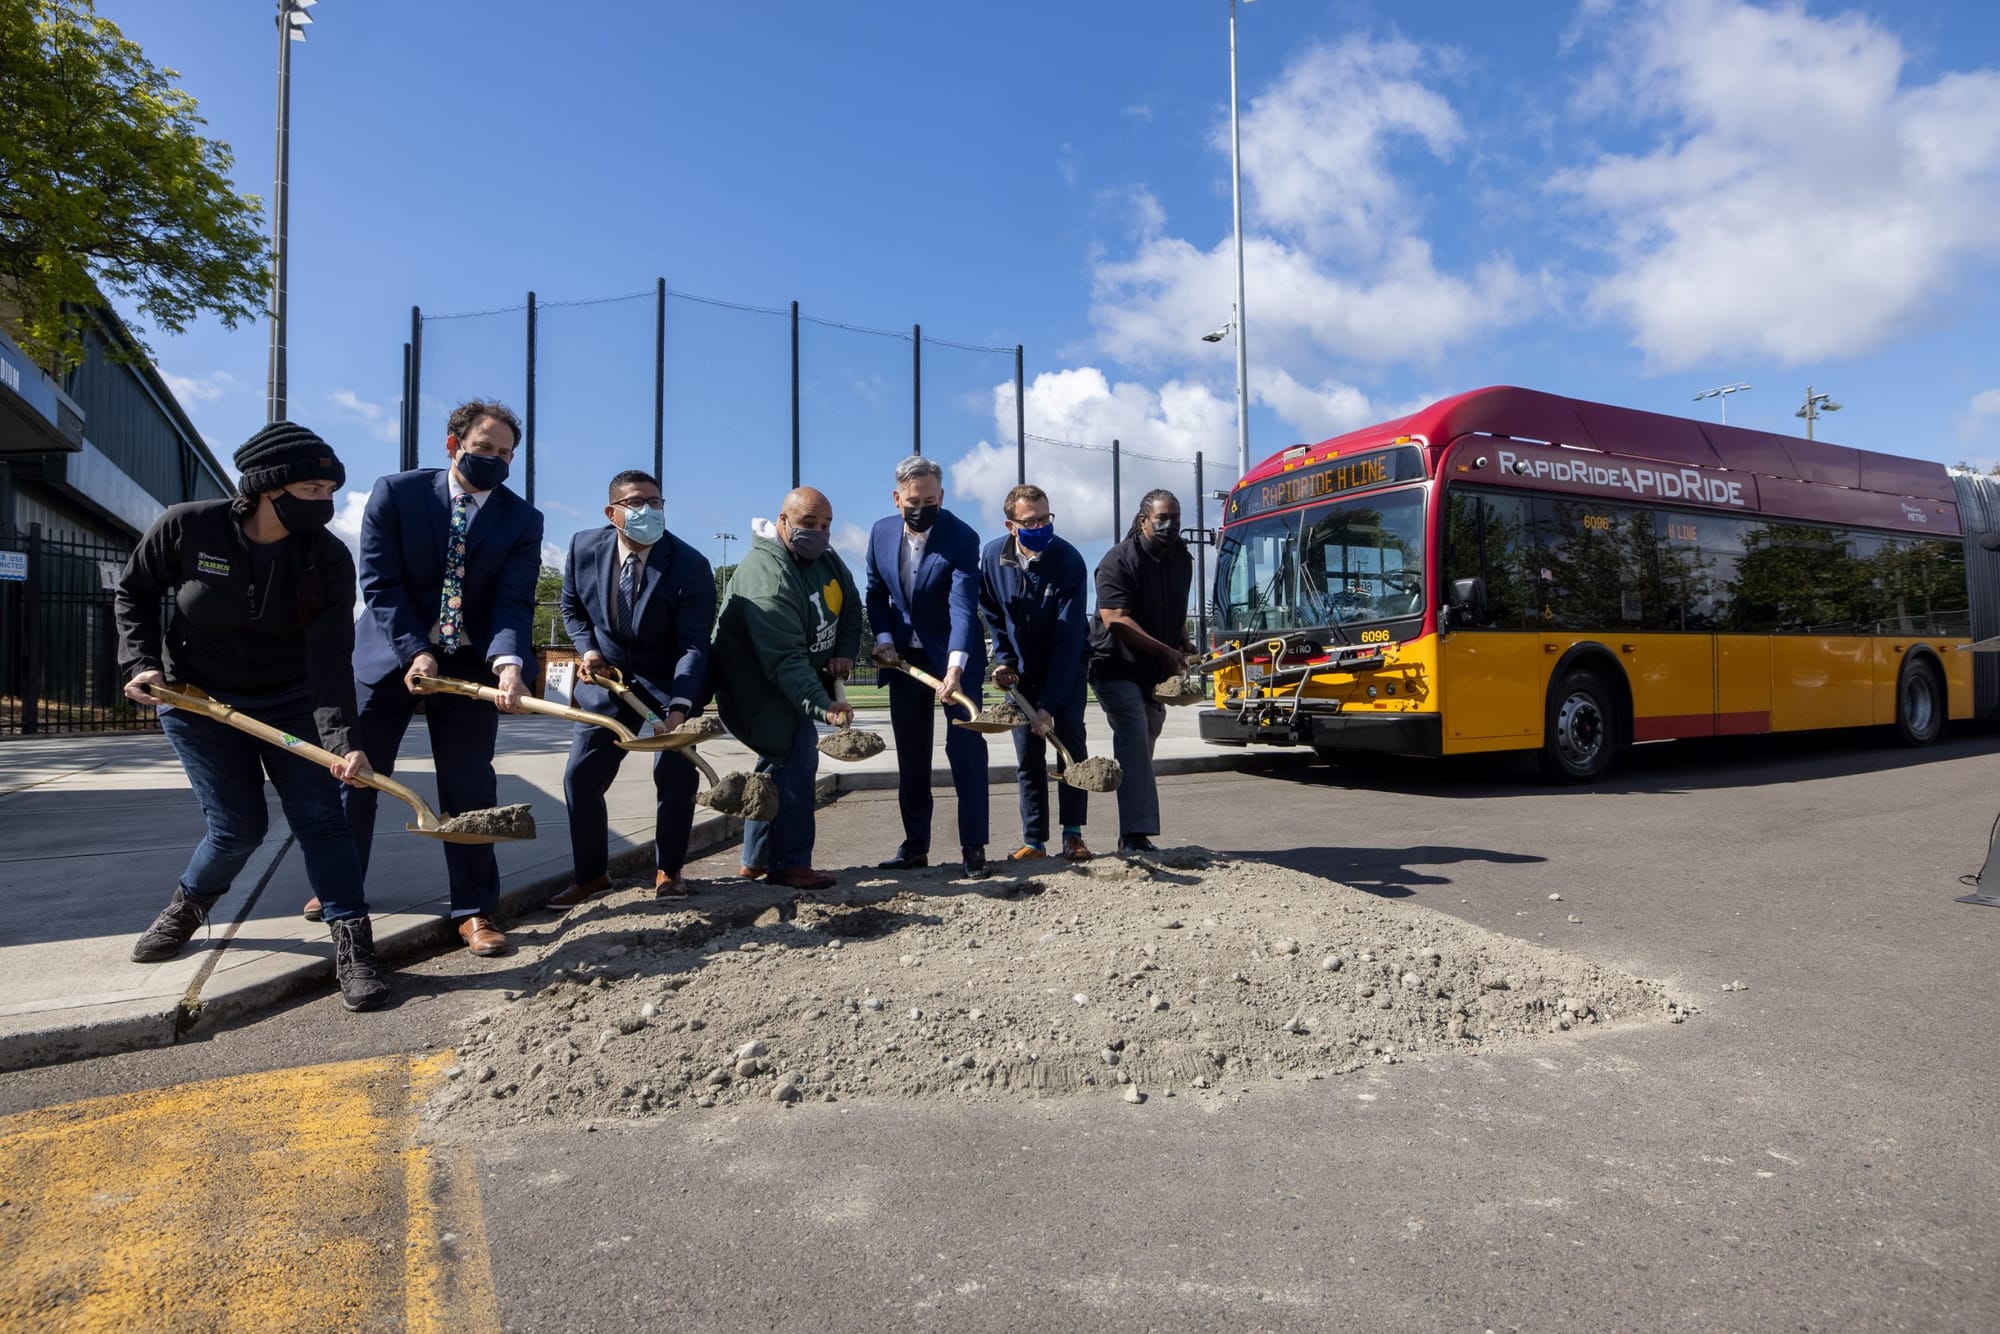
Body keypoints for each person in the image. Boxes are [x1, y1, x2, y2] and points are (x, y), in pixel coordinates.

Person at [115, 422, 389, 1011]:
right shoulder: (189, 526)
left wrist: (344, 741)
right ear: (269, 488)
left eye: (329, 490)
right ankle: (188, 905)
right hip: (198, 702)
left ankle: (354, 943)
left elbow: (330, 657)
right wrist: (141, 661)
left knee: (322, 819)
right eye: (312, 489)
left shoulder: (327, 558)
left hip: (290, 700)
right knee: (239, 828)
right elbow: (134, 591)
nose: (326, 502)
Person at [338, 398, 544, 957]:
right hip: (390, 653)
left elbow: (513, 602)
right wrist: (415, 651)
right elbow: (380, 584)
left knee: (470, 786)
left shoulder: (522, 520)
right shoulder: (396, 494)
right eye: (485, 449)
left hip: (468, 663)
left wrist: (508, 664)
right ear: (453, 446)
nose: (497, 461)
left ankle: (476, 910)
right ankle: (338, 886)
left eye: (506, 454)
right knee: (359, 775)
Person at [548, 470, 714, 906]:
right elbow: (572, 607)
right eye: (637, 503)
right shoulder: (585, 547)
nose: (649, 511)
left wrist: (679, 708)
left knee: (675, 772)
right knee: (581, 777)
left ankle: (669, 870)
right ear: (612, 512)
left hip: (668, 680)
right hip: (607, 681)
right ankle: (591, 875)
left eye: (656, 503)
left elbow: (694, 643)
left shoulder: (690, 564)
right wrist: (587, 651)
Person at [711, 487, 859, 891]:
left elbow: (850, 607)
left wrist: (844, 653)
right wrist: (823, 705)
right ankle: (790, 863)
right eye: (809, 524)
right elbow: (785, 660)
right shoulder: (769, 578)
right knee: (796, 757)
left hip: (792, 682)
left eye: (826, 525)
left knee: (776, 765)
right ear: (783, 522)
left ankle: (755, 859)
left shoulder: (825, 559)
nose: (820, 532)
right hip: (756, 689)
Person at [865, 454, 990, 878]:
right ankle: (915, 846)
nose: (922, 509)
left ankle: (974, 848)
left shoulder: (961, 537)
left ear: (942, 496)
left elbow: (961, 606)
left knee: (965, 746)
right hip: (905, 658)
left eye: (931, 500)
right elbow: (876, 593)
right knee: (912, 753)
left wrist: (955, 668)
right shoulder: (881, 533)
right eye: (914, 500)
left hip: (955, 655)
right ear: (898, 498)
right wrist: (883, 639)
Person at [978, 483, 1093, 862]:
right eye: (1031, 521)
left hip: (1067, 665)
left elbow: (1068, 637)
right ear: (1011, 525)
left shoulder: (1069, 561)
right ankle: (1034, 840)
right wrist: (1005, 661)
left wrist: (1050, 705)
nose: (1041, 526)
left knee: (1069, 743)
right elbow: (994, 615)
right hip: (1022, 670)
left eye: (1046, 518)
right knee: (1028, 755)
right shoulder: (993, 557)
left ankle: (1073, 834)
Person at [1088, 488, 1194, 855]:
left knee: (1147, 733)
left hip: (1154, 668)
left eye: (1176, 519)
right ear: (1143, 520)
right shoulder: (1118, 560)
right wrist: (1167, 652)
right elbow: (1116, 620)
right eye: (1162, 518)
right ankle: (1135, 835)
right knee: (1133, 728)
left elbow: (1175, 607)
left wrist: (1181, 640)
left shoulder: (1182, 559)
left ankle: (1131, 821)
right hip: (1113, 663)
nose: (1170, 526)